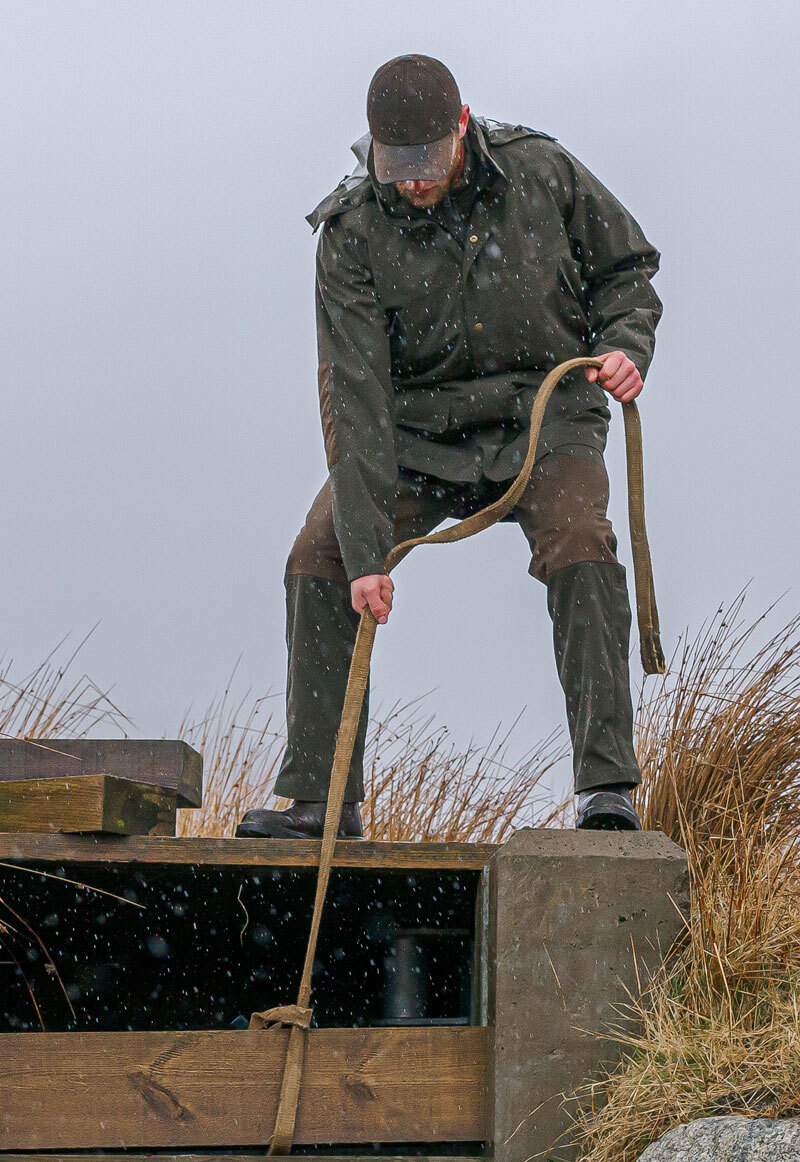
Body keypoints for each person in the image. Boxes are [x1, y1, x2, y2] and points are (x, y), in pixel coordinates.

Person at [236, 54, 662, 840]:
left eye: (429, 161)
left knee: (582, 540)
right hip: (418, 436)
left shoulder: (544, 172)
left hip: (545, 413)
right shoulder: (350, 232)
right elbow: (356, 400)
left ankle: (607, 791)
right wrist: (368, 555)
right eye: (398, 166)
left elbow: (628, 271)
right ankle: (321, 804)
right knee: (322, 553)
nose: (416, 181)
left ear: (462, 126)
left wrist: (628, 343)